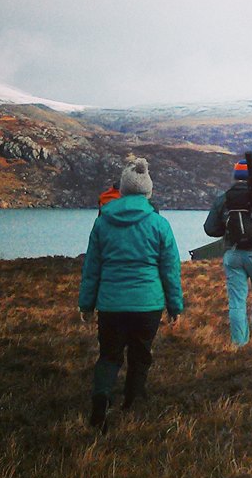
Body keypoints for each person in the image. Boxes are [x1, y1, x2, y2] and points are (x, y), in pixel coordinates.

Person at [78, 156, 183, 434]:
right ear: (148, 192)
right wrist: (175, 306)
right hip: (147, 304)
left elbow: (92, 267)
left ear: (122, 190)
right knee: (140, 353)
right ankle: (133, 403)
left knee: (109, 355)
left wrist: (86, 304)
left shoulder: (103, 221)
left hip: (111, 304)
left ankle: (101, 400)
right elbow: (170, 268)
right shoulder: (159, 224)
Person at [203, 158, 252, 346]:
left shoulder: (224, 198)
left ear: (236, 176)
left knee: (237, 299)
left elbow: (210, 228)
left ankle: (240, 344)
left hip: (233, 253)